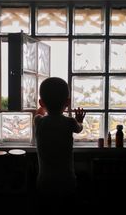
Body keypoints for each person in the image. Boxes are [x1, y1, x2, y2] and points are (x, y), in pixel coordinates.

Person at [33, 77, 86, 213]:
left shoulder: (39, 121)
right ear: (67, 103)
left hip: (44, 182)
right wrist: (79, 119)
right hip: (67, 182)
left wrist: (44, 106)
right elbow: (79, 128)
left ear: (41, 102)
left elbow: (39, 113)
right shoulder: (70, 122)